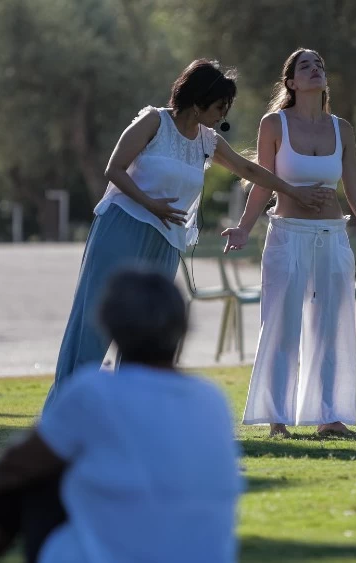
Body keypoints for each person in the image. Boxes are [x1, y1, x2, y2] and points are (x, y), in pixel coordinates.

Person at [0, 268, 244, 563]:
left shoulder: (96, 392)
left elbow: (16, 465)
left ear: (110, 327)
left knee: (26, 484)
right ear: (181, 329)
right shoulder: (211, 398)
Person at [46, 59, 333, 410]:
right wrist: (150, 204)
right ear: (197, 101)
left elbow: (246, 168)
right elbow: (114, 169)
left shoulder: (207, 141)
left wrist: (292, 191)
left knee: (147, 329)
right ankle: (67, 411)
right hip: (122, 228)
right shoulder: (154, 121)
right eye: (218, 107)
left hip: (166, 239)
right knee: (95, 321)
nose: (222, 116)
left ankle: (130, 414)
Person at [221, 48, 356, 438]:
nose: (315, 69)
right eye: (305, 66)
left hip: (332, 237)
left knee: (331, 326)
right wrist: (242, 228)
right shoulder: (274, 124)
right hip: (288, 237)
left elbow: (353, 189)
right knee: (282, 327)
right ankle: (277, 420)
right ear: (290, 82)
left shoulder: (342, 129)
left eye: (320, 64)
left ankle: (330, 417)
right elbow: (262, 181)